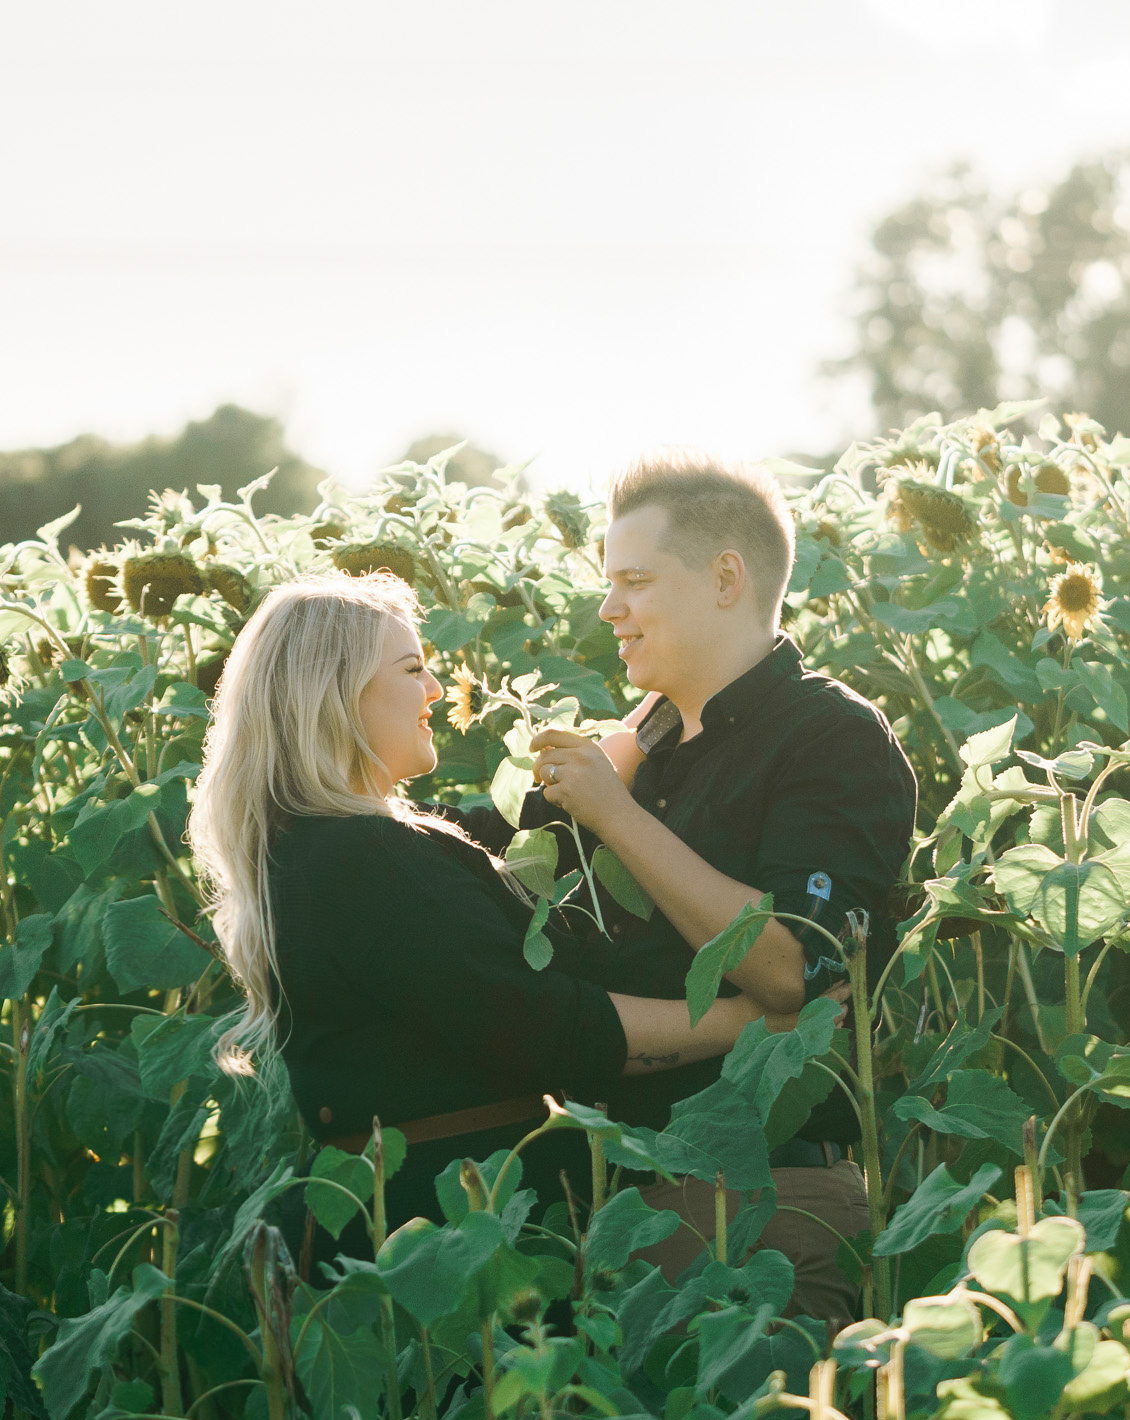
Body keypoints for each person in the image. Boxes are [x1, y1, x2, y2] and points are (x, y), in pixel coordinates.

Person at [187, 571, 780, 1265]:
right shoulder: (358, 858)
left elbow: (528, 827)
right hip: (451, 1232)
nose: (437, 689)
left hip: (417, 1215)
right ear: (335, 693)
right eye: (413, 669)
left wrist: (663, 712)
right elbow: (549, 1026)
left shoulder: (329, 847)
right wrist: (747, 1021)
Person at [522, 452, 919, 1330]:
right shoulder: (646, 746)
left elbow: (792, 969)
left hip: (761, 1204)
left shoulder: (831, 734)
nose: (609, 607)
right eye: (608, 582)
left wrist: (618, 817)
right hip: (614, 1204)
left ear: (726, 578)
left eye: (634, 580)